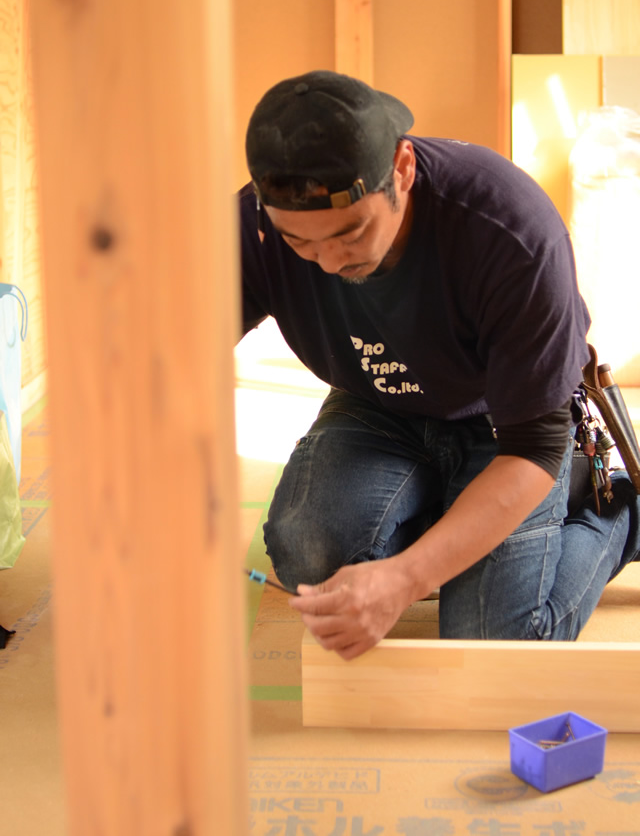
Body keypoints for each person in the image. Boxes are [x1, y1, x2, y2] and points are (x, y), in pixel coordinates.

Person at [239, 69, 640, 659]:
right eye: (302, 244)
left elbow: (531, 447)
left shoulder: (512, 232)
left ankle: (623, 516)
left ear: (401, 168)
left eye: (350, 234)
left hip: (505, 419)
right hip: (377, 400)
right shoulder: (254, 229)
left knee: (493, 642)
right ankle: (455, 515)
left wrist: (405, 578)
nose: (327, 263)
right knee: (311, 557)